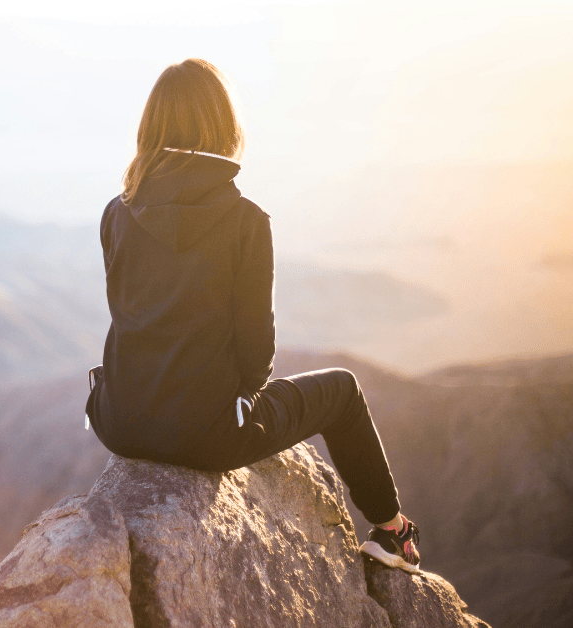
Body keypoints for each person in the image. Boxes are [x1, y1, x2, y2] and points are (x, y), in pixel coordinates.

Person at [84, 58, 420, 572]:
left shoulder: (116, 210)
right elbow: (257, 354)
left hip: (118, 420)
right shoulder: (246, 221)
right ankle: (393, 532)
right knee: (344, 390)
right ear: (224, 126)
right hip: (208, 435)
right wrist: (232, 405)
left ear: (150, 127)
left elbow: (128, 314)